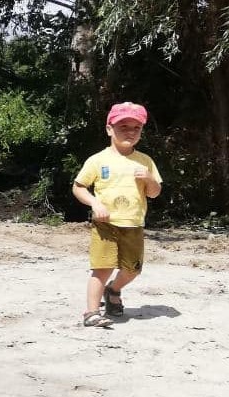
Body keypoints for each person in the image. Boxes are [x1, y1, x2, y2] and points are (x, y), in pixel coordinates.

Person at [72, 102, 162, 328]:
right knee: (102, 268)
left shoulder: (145, 161)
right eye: (123, 126)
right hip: (105, 224)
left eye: (136, 128)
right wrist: (94, 203)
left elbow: (154, 193)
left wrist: (149, 179)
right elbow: (79, 187)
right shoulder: (98, 160)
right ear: (109, 129)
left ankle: (113, 290)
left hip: (134, 224)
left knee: (133, 269)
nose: (130, 132)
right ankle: (91, 313)